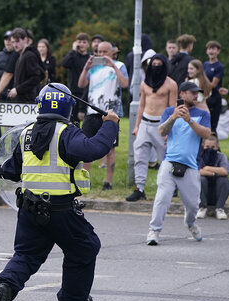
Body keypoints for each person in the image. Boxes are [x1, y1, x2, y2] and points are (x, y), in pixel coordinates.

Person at [0, 83, 118, 301]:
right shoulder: (67, 133)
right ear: (68, 107)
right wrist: (110, 124)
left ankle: (5, 285)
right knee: (85, 249)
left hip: (28, 209)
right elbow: (94, 149)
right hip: (61, 211)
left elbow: (11, 170)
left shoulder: (26, 133)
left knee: (26, 255)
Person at [146, 81, 211, 245]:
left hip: (191, 166)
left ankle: (191, 223)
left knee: (192, 205)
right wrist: (174, 117)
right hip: (169, 163)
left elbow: (206, 133)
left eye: (197, 93)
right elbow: (162, 131)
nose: (196, 96)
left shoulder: (202, 114)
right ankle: (154, 231)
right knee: (162, 197)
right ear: (182, 94)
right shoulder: (169, 112)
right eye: (193, 92)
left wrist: (189, 120)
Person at [78, 40, 129, 190]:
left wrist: (112, 65)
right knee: (85, 146)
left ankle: (108, 182)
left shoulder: (119, 66)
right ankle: (85, 181)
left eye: (104, 52)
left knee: (110, 149)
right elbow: (81, 84)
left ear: (112, 52)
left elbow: (125, 84)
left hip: (110, 113)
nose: (101, 55)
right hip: (92, 111)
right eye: (99, 52)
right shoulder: (93, 68)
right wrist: (86, 68)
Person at [127, 54, 177, 201]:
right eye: (153, 64)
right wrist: (137, 126)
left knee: (165, 158)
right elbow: (141, 105)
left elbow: (172, 108)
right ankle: (139, 188)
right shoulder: (145, 83)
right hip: (145, 123)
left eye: (159, 64)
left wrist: (169, 130)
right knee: (140, 157)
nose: (156, 66)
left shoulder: (171, 84)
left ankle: (170, 187)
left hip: (161, 124)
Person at [197, 135, 229, 220]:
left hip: (217, 192)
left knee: (224, 179)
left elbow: (225, 171)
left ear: (217, 147)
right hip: (202, 193)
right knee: (201, 179)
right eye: (207, 146)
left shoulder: (221, 156)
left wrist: (208, 168)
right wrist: (214, 173)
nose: (210, 149)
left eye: (213, 147)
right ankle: (202, 207)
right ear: (203, 146)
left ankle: (220, 208)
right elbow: (196, 171)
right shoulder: (199, 156)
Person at [8, 28, 45, 102]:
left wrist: (17, 90)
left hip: (27, 101)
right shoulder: (21, 56)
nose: (15, 45)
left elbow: (36, 78)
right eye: (13, 42)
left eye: (17, 41)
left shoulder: (29, 56)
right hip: (21, 101)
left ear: (25, 39)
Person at [61, 32, 91, 124]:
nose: (81, 44)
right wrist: (73, 50)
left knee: (87, 123)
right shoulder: (73, 56)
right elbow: (64, 63)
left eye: (84, 42)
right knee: (72, 122)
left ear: (88, 44)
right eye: (79, 42)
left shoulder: (90, 57)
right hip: (73, 93)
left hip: (87, 94)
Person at [204, 40, 225, 133]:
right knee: (204, 125)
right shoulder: (205, 64)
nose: (211, 51)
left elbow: (213, 84)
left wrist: (200, 85)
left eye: (213, 49)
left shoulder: (219, 66)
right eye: (209, 49)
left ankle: (214, 147)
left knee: (212, 128)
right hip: (205, 98)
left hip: (214, 99)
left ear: (218, 51)